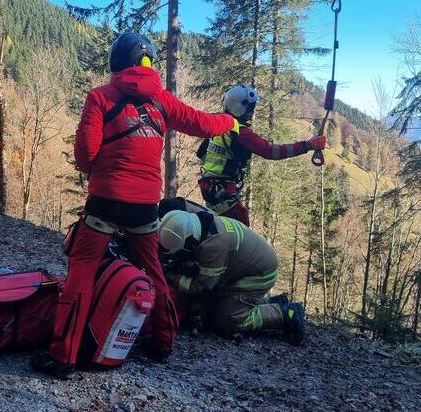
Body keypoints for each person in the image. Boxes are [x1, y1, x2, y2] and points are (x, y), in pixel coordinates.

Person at [32, 32, 238, 379]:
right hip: (145, 206)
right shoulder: (162, 100)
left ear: (117, 61)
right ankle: (163, 342)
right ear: (148, 62)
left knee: (81, 270)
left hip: (104, 203)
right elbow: (203, 123)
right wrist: (231, 121)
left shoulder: (99, 97)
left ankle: (62, 356)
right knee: (154, 272)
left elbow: (85, 157)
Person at [158, 210, 305, 345]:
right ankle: (266, 302)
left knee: (227, 319)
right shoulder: (200, 223)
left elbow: (199, 287)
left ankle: (286, 313)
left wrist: (171, 276)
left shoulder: (212, 247)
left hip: (259, 276)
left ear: (189, 243)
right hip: (244, 270)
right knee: (213, 304)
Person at [197, 85, 327, 226]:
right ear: (240, 109)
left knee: (219, 227)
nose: (252, 112)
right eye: (250, 109)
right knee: (240, 231)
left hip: (209, 187)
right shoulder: (240, 132)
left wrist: (222, 164)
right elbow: (270, 151)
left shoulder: (217, 123)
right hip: (224, 191)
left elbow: (202, 153)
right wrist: (307, 145)